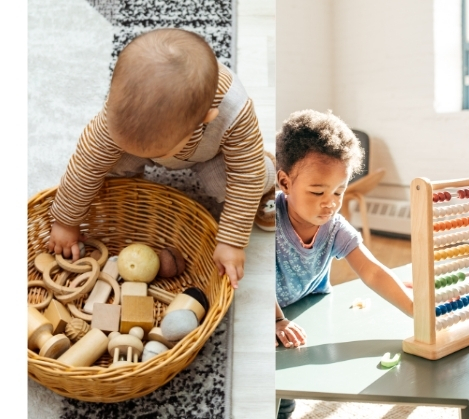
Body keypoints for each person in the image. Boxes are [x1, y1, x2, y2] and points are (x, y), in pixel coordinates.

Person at [46, 28, 277, 289]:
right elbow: (86, 163)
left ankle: (270, 175)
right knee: (104, 164)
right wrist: (66, 220)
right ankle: (130, 176)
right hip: (144, 142)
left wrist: (232, 241)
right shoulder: (123, 108)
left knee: (239, 179)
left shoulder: (234, 113)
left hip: (212, 154)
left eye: (155, 151)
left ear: (205, 119)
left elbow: (245, 177)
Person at [274, 109, 414, 350]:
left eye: (339, 191)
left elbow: (372, 271)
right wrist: (276, 319)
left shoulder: (334, 226)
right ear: (285, 182)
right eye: (317, 192)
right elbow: (253, 277)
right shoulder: (268, 218)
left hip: (311, 307)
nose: (330, 203)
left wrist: (415, 310)